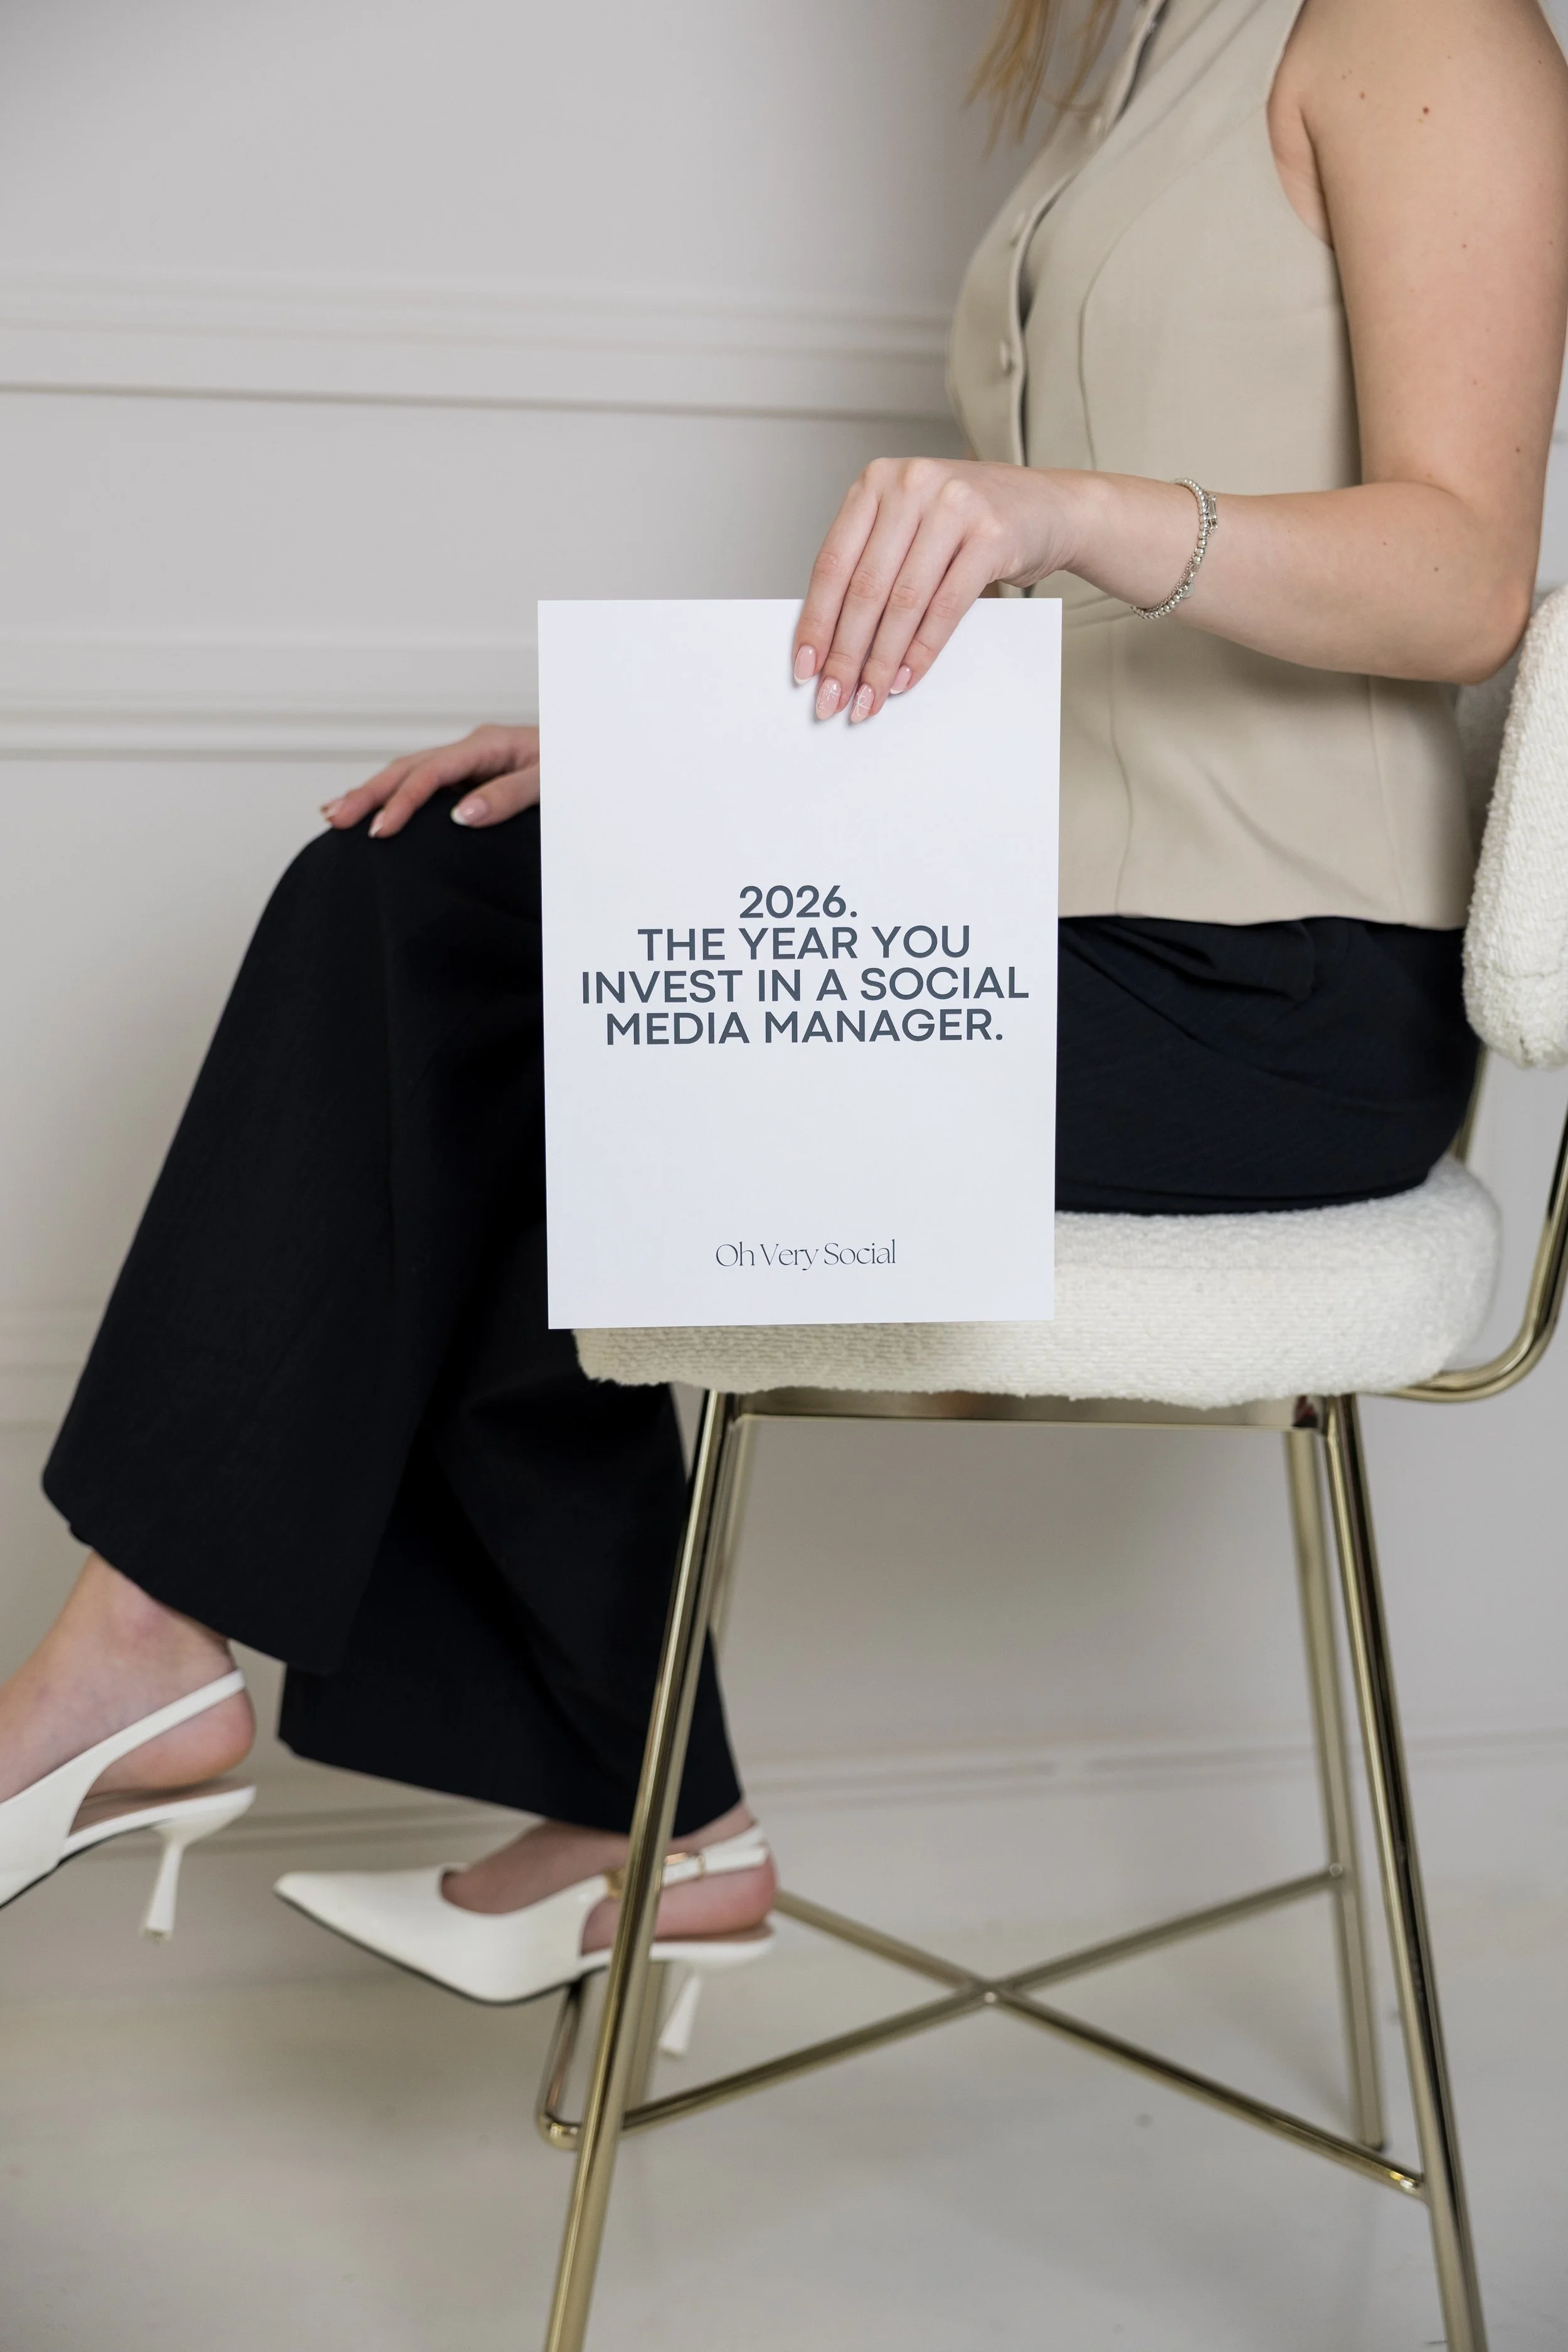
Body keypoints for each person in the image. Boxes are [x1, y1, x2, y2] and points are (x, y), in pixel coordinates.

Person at [2, 0, 1564, 2000]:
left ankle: (560, 1783)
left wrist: (1070, 509)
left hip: (1279, 990)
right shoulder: (1152, 48)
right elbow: (1047, 662)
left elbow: (1455, 575)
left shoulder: (1424, 31)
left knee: (540, 1063)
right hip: (1043, 919)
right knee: (418, 905)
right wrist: (682, 773)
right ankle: (539, 1776)